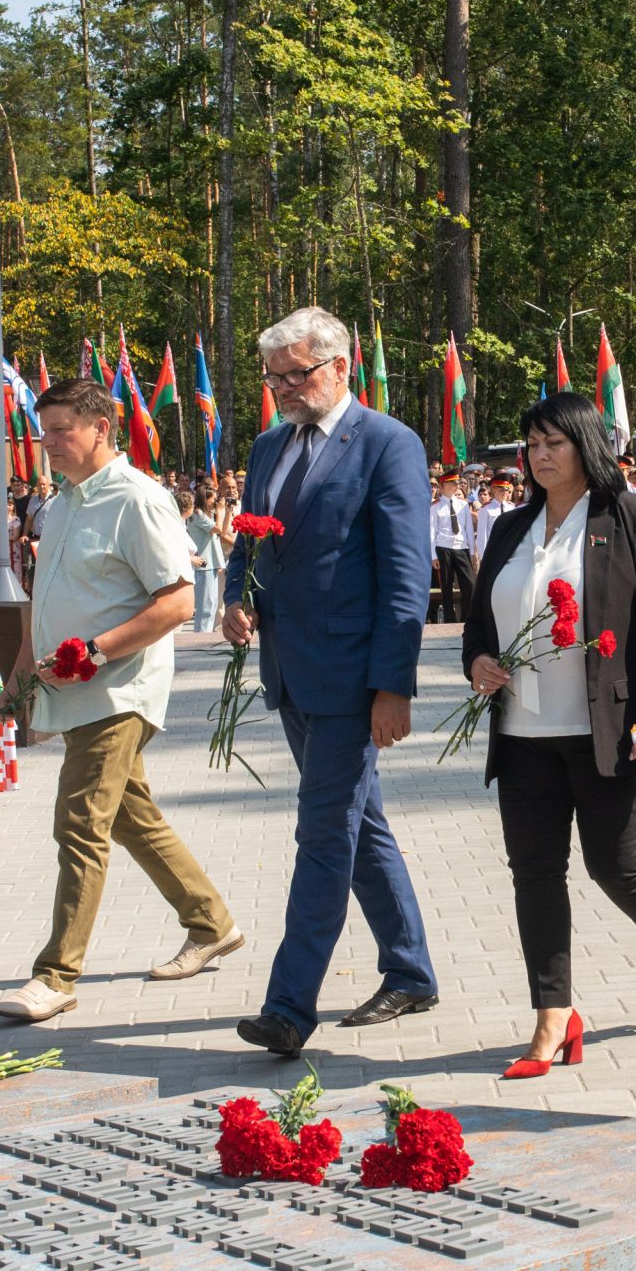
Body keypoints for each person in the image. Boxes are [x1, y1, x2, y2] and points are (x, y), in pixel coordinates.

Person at [224, 307, 438, 1057]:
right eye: (275, 375)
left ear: (341, 367)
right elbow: (249, 535)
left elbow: (409, 576)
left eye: (298, 373)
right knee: (358, 823)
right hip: (289, 669)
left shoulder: (388, 444)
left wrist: (395, 685)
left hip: (353, 678)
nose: (285, 387)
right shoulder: (267, 448)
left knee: (322, 833)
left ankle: (288, 1005)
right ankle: (410, 968)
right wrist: (234, 597)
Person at [464, 392, 636, 1077]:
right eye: (531, 444)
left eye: (553, 443)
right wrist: (477, 660)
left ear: (586, 444)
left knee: (615, 864)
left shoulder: (631, 517)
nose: (538, 456)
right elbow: (482, 623)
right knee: (535, 873)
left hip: (607, 731)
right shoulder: (509, 528)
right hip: (524, 735)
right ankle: (552, 1018)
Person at [0, 380, 239, 1021]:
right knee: (130, 816)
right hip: (74, 692)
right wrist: (18, 682)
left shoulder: (139, 499)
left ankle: (56, 975)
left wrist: (95, 653)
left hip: (118, 691)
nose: (48, 445)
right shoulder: (65, 502)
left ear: (101, 428)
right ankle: (211, 922)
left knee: (79, 822)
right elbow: (43, 608)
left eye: (61, 430)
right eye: (44, 431)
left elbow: (178, 603)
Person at [429, 472, 475, 624]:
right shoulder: (435, 507)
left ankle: (466, 618)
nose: (456, 485)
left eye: (457, 483)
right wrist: (433, 556)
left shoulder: (463, 504)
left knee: (470, 585)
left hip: (461, 548)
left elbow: (468, 529)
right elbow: (431, 532)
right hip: (443, 548)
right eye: (453, 483)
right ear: (443, 486)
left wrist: (472, 551)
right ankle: (449, 619)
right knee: (446, 588)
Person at [182, 487, 226, 635]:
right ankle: (201, 636)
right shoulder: (197, 514)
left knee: (212, 604)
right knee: (205, 606)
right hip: (203, 565)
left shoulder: (207, 514)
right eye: (212, 498)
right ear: (204, 499)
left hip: (211, 563)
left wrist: (227, 512)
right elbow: (218, 529)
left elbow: (223, 531)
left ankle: (205, 634)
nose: (215, 501)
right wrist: (220, 510)